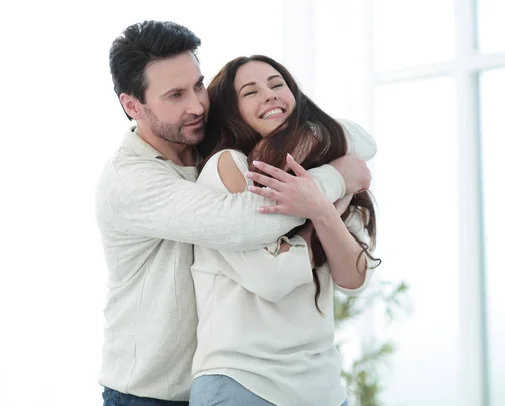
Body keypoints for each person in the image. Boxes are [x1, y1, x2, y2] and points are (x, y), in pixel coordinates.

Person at [97, 21, 373, 406]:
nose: (196, 105)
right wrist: (338, 179)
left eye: (198, 85)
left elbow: (356, 136)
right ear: (133, 105)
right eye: (175, 95)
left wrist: (335, 157)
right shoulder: (132, 181)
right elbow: (246, 223)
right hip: (152, 394)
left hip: (234, 382)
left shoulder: (207, 140)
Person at [188, 55, 381, 406]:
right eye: (251, 91)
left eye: (278, 84)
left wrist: (323, 208)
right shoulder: (226, 168)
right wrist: (325, 205)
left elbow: (355, 279)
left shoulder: (326, 174)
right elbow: (271, 279)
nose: (269, 94)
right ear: (231, 111)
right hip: (243, 383)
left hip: (322, 389)